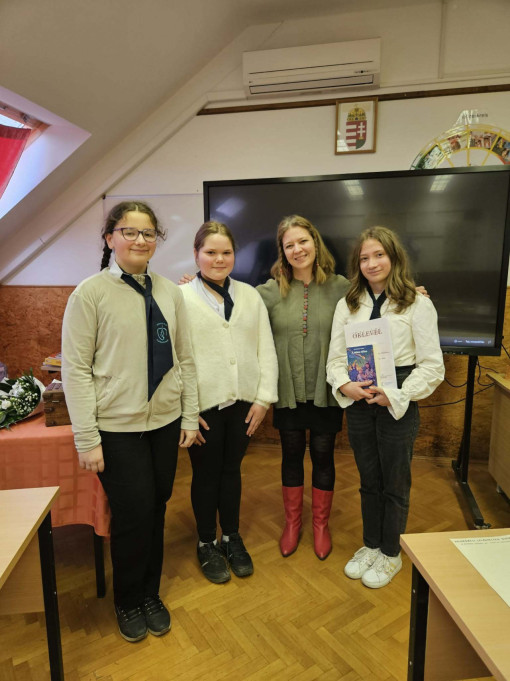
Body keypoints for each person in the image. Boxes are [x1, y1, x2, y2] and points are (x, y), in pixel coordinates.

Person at [62, 201, 199, 642]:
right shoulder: (90, 294)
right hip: (117, 429)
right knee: (132, 513)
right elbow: (75, 370)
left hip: (165, 422)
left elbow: (185, 358)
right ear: (110, 238)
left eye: (148, 233)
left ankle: (149, 593)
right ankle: (127, 598)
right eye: (129, 231)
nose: (140, 240)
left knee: (157, 506)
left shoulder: (170, 293)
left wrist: (189, 414)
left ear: (157, 240)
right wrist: (86, 438)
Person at [326, 226, 444, 589]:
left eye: (379, 255)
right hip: (360, 399)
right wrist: (345, 385)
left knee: (395, 481)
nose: (372, 263)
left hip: (398, 396)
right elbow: (335, 359)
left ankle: (391, 553)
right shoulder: (347, 304)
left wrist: (397, 394)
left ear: (394, 258)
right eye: (364, 258)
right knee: (368, 480)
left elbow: (432, 366)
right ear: (357, 264)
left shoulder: (417, 303)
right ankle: (371, 545)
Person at [180, 221, 278, 584]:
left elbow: (265, 348)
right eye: (210, 252)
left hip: (244, 404)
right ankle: (207, 541)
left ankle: (231, 536)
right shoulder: (181, 298)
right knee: (206, 474)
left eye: (226, 252)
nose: (219, 259)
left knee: (232, 470)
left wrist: (263, 399)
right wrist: (187, 412)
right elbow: (176, 359)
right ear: (196, 255)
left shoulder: (250, 295)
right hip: (202, 408)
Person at [256, 215, 350, 561]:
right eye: (289, 245)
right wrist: (194, 285)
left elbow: (378, 302)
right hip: (288, 392)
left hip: (328, 389)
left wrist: (410, 296)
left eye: (303, 241)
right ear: (282, 252)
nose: (297, 249)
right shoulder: (267, 292)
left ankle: (321, 525)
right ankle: (292, 523)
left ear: (315, 243)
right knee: (291, 454)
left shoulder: (342, 288)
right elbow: (230, 307)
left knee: (324, 455)